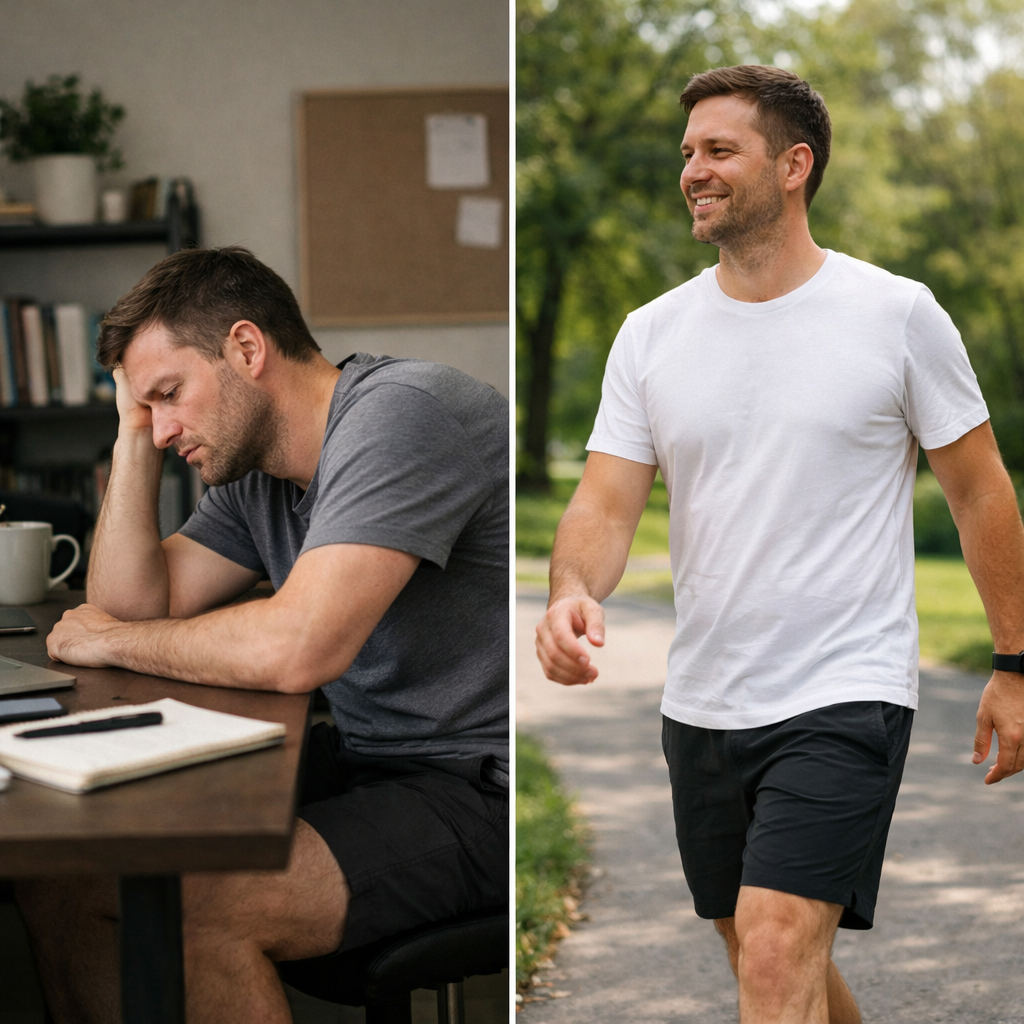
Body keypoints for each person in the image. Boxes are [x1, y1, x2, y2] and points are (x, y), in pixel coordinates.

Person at [535, 64, 1024, 1024]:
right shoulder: (651, 334)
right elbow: (602, 503)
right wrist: (567, 593)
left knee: (770, 950)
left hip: (847, 688)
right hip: (706, 701)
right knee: (763, 950)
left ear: (794, 165)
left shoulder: (897, 315)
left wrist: (1014, 660)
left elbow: (979, 494)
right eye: (688, 153)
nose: (693, 172)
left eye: (720, 150)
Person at [17, 246, 509, 1024]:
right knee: (66, 874)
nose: (166, 427)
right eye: (148, 408)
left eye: (170, 394)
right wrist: (130, 434)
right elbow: (135, 603)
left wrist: (113, 643)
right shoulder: (256, 472)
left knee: (195, 911)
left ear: (247, 349)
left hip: (480, 785)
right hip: (371, 760)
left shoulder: (405, 414)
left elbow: (295, 647)